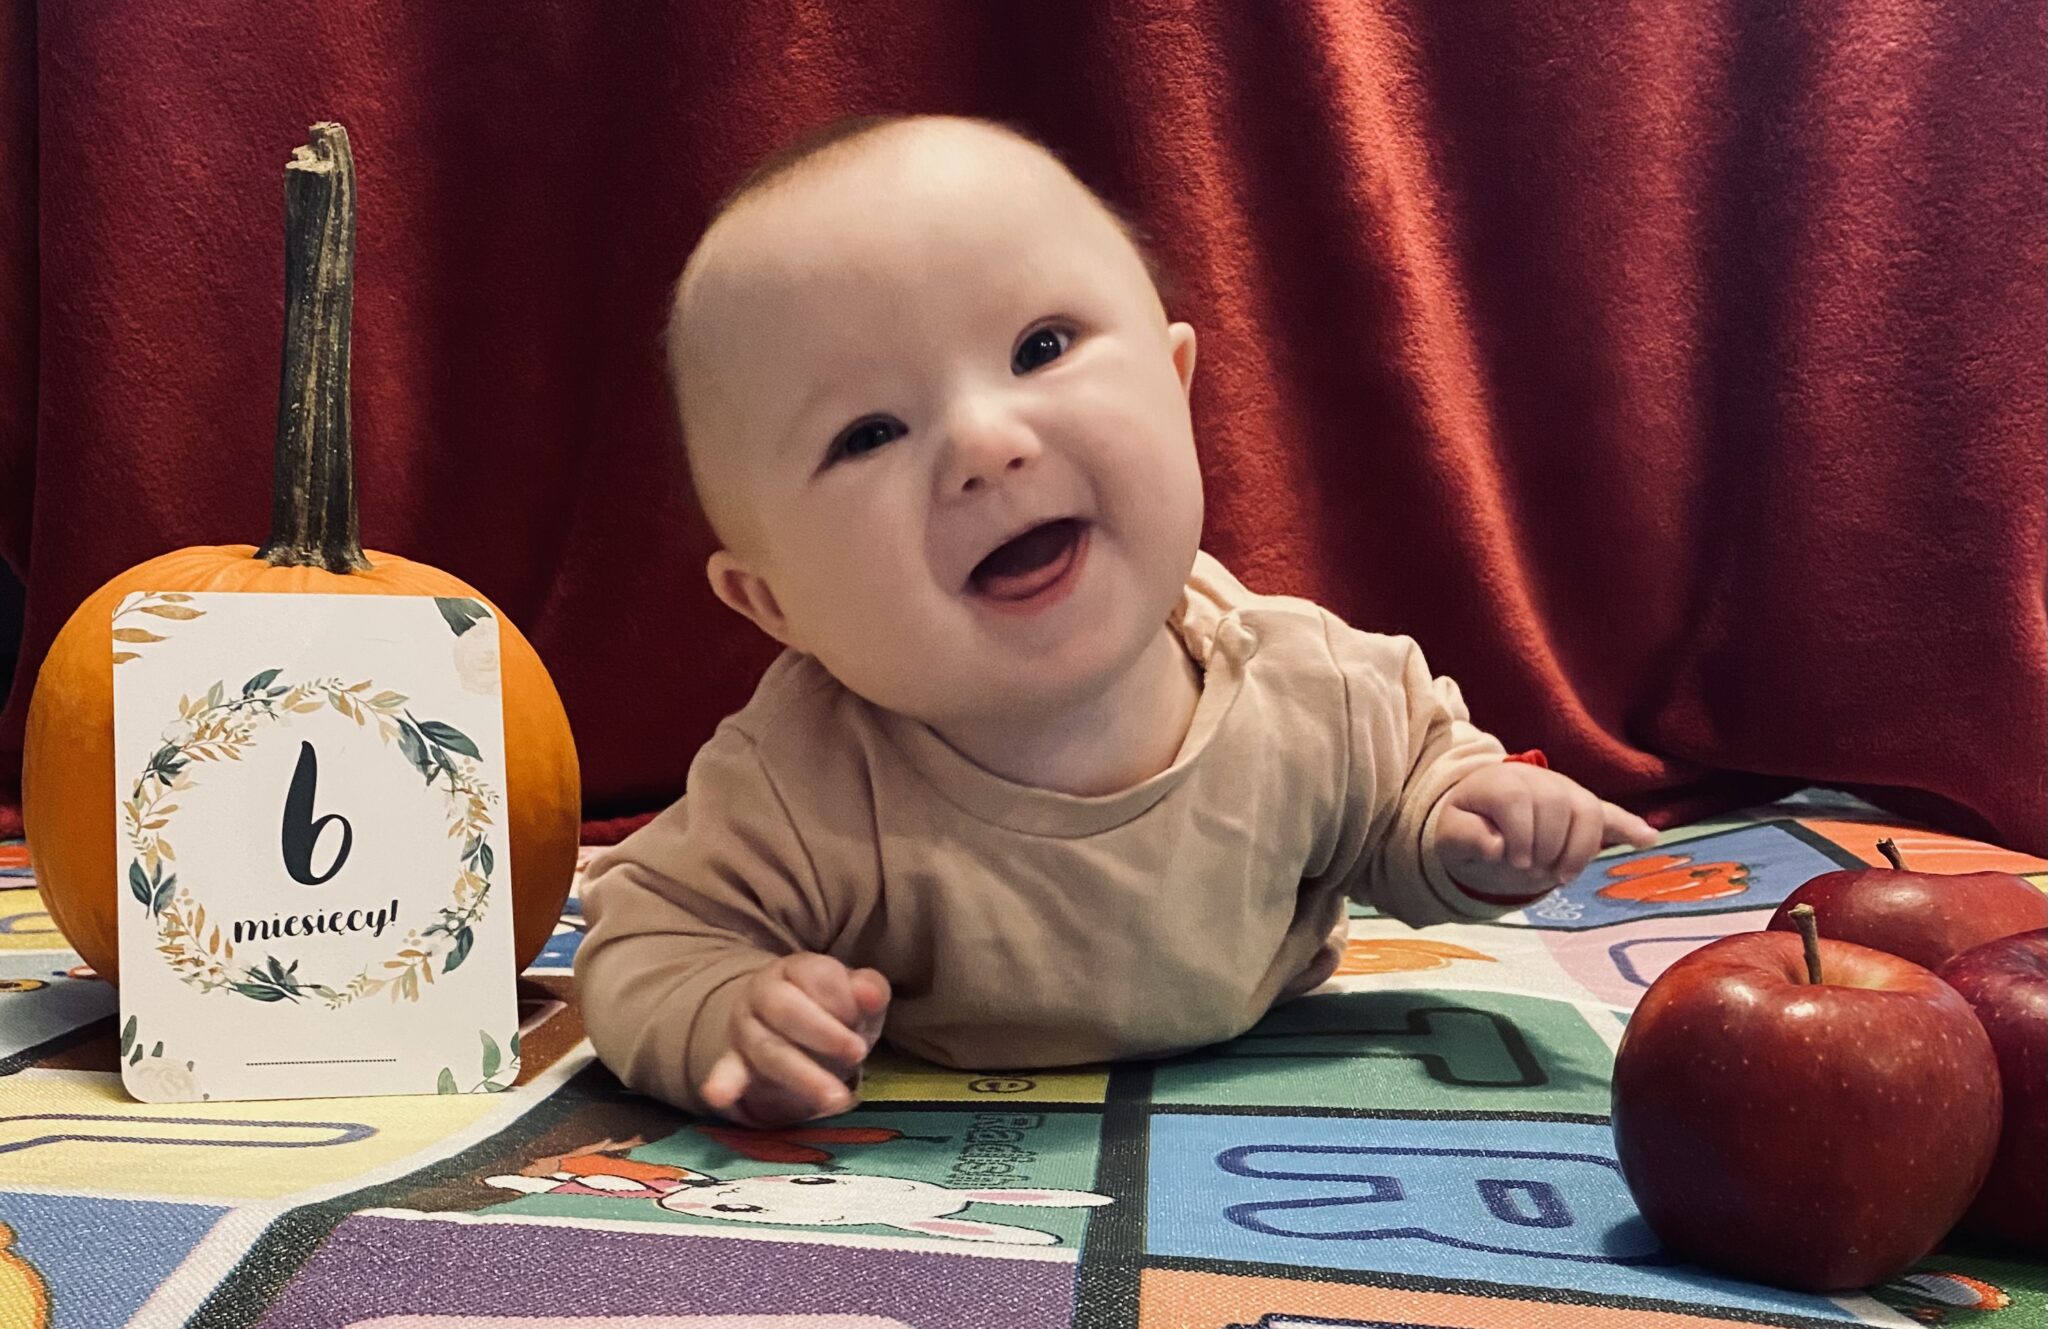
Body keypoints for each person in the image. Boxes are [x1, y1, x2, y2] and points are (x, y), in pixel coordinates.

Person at [574, 114, 1657, 1127]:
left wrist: (1470, 827)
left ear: (1177, 385)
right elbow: (644, 943)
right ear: (772, 603)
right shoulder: (799, 783)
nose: (986, 443)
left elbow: (1404, 801)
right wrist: (720, 1010)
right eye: (867, 434)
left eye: (1041, 347)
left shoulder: (1310, 687)